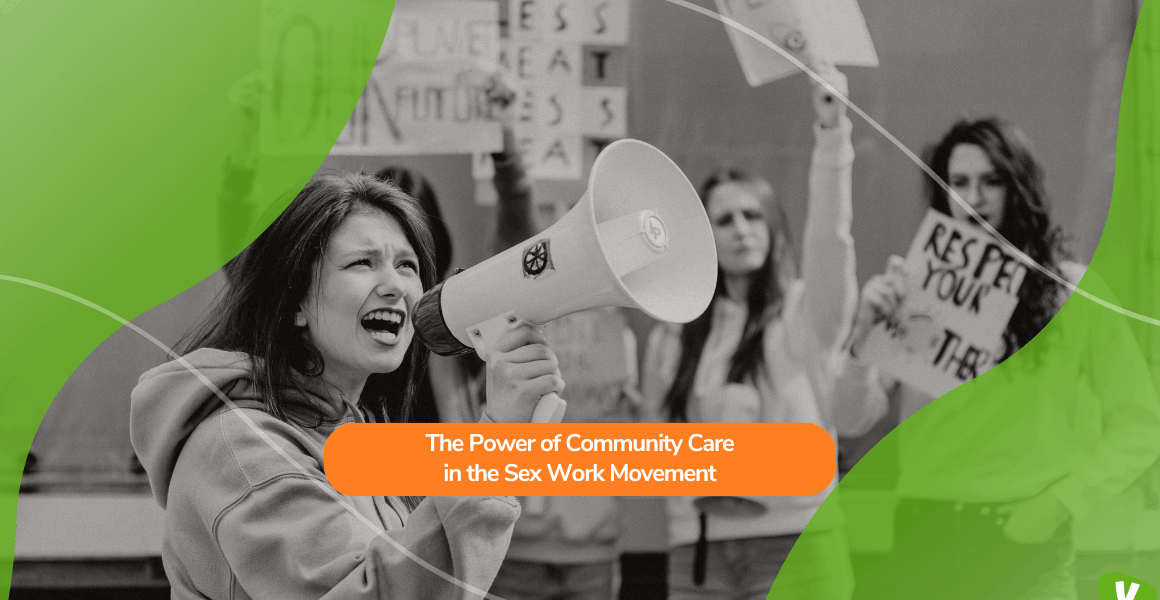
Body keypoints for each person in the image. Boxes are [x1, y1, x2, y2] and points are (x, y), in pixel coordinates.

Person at [129, 173, 565, 599]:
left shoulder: (353, 430)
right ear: (294, 301)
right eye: (363, 262)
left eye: (407, 266)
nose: (395, 286)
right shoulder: (239, 446)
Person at [842, 117, 1160, 599]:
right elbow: (848, 419)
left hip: (1026, 542)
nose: (975, 196)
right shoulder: (916, 287)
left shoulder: (1070, 290)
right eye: (960, 182)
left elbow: (1141, 422)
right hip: (924, 536)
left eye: (992, 180)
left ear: (1019, 188)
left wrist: (1061, 503)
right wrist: (859, 342)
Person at [640, 65, 887, 600]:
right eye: (724, 221)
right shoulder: (673, 336)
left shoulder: (804, 314)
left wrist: (832, 137)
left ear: (774, 228)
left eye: (753, 215)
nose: (741, 229)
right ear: (703, 239)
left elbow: (831, 241)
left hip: (797, 542)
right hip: (697, 549)